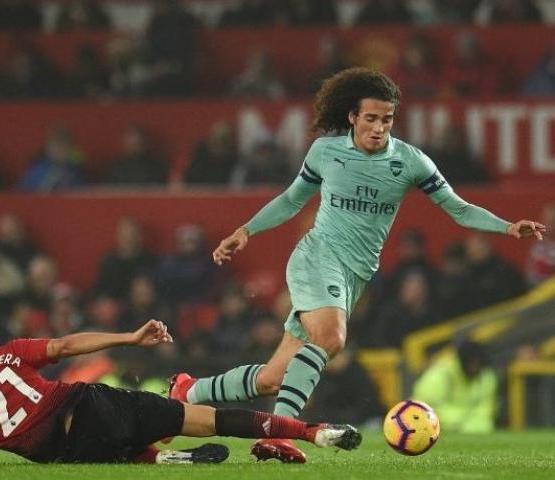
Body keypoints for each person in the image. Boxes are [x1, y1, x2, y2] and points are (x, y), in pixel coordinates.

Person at [167, 67, 546, 463]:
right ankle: (279, 435)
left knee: (273, 377)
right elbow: (292, 200)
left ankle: (189, 391)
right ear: (352, 116)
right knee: (331, 339)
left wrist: (507, 227)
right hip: (318, 257)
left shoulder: (410, 161)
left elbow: (460, 209)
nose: (379, 127)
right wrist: (247, 230)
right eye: (371, 118)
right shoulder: (326, 152)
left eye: (387, 119)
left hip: (354, 276)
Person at [0, 307, 359, 466]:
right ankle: (313, 432)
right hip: (89, 403)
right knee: (215, 419)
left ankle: (159, 461)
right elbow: (64, 347)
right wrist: (129, 336)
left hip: (66, 449)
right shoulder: (7, 352)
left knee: (108, 455)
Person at [412, 340, 497, 434]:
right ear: (463, 361)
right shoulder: (440, 374)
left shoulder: (486, 377)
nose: (475, 367)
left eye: (479, 364)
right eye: (472, 363)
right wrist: (463, 421)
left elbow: (486, 409)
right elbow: (427, 409)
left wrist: (472, 422)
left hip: (470, 426)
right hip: (430, 428)